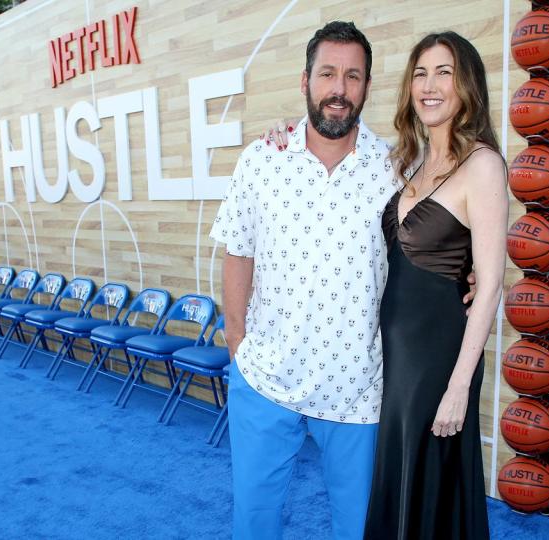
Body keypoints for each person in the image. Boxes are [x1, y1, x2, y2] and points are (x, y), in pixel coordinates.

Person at [265, 32, 507, 539]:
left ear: (467, 85)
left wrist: (459, 387)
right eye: (420, 73)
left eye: (444, 72)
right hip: (393, 357)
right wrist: (285, 133)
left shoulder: (482, 164)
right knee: (398, 476)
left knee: (427, 481)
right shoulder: (409, 161)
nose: (430, 85)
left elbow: (489, 286)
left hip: (436, 359)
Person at [210, 21, 395, 540]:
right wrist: (237, 344)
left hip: (358, 388)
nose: (339, 89)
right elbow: (238, 250)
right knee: (253, 521)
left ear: (367, 87)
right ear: (305, 81)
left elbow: (429, 253)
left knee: (357, 528)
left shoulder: (396, 169)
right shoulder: (261, 160)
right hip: (266, 377)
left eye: (353, 76)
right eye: (328, 73)